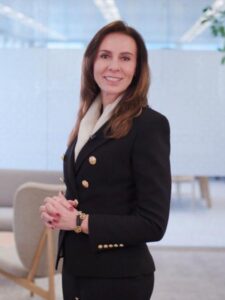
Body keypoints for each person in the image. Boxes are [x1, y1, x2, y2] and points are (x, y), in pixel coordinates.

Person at [40, 20, 171, 300]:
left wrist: (77, 221)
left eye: (125, 58)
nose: (114, 66)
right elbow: (95, 192)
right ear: (91, 62)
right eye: (105, 56)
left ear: (137, 69)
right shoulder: (89, 119)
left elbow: (153, 223)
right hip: (77, 269)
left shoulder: (149, 125)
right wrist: (59, 207)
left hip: (118, 277)